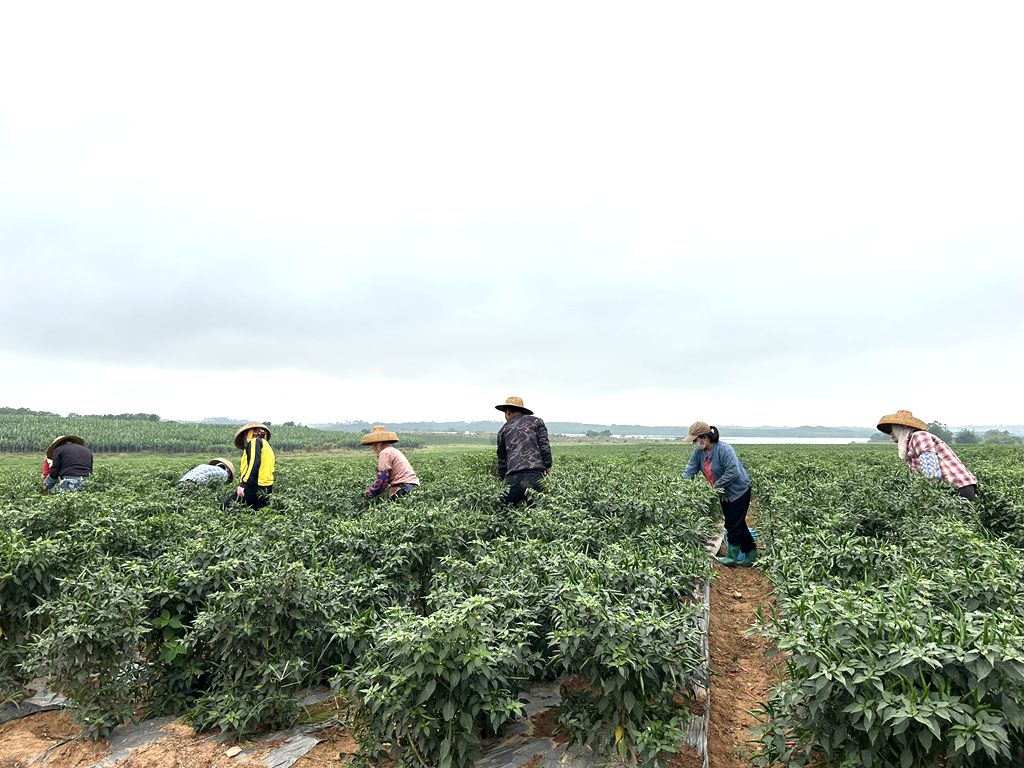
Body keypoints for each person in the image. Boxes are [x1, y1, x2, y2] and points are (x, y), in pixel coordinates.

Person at [682, 421, 756, 567]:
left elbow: (732, 472)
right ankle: (750, 553)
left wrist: (714, 487)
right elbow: (690, 469)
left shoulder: (724, 449)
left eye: (696, 440)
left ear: (705, 437)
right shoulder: (699, 453)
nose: (695, 443)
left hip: (739, 491)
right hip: (723, 492)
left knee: (733, 524)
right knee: (737, 523)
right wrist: (681, 484)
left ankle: (732, 556)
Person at [877, 410, 977, 500]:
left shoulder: (919, 436)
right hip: (951, 488)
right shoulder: (910, 444)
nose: (890, 433)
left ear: (902, 428)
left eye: (893, 429)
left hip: (958, 488)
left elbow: (931, 472)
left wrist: (926, 495)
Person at [495, 396, 552, 504]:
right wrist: (548, 468)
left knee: (507, 513)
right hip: (536, 475)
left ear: (508, 412)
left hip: (513, 477)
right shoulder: (537, 422)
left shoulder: (503, 430)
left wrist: (504, 481)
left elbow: (502, 461)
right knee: (539, 513)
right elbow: (544, 446)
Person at [224, 422, 275, 510]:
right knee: (256, 514)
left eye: (245, 435)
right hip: (267, 487)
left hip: (254, 486)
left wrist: (243, 484)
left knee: (225, 508)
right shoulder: (267, 446)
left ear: (250, 433)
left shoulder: (255, 442)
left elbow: (255, 463)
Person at [361, 426, 420, 500]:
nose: (373, 447)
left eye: (373, 444)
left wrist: (369, 494)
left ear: (378, 443)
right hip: (412, 484)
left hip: (404, 487)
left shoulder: (384, 453)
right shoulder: (393, 450)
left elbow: (382, 479)